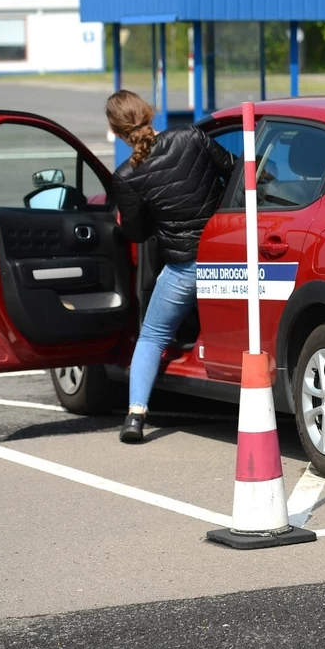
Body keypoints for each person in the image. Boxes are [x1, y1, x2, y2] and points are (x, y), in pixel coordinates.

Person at [106, 90, 235, 443]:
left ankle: (135, 416)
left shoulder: (125, 176)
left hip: (184, 268)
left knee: (151, 336)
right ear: (149, 113)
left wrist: (156, 220)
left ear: (116, 131)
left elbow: (135, 232)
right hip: (228, 257)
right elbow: (234, 169)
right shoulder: (190, 136)